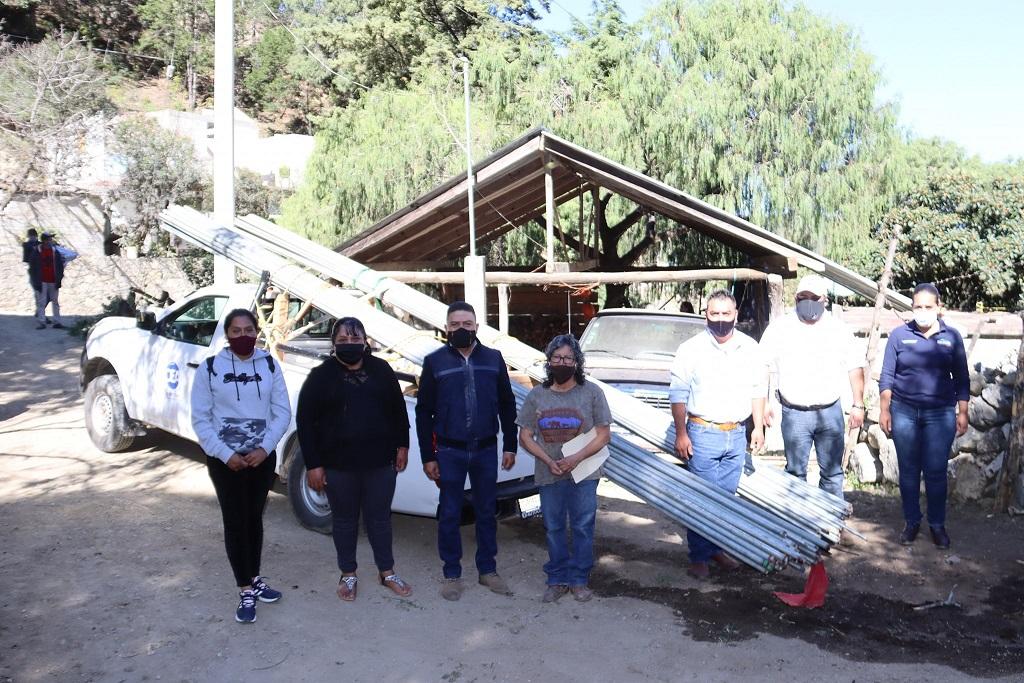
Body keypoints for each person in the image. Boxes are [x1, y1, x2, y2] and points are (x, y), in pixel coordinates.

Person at [296, 317, 413, 601]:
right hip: (338, 464)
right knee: (345, 521)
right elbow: (305, 421)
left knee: (380, 520)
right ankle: (348, 574)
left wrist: (403, 446)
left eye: (355, 339)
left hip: (379, 463)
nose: (350, 344)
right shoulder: (321, 376)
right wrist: (313, 464)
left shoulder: (381, 370)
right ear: (334, 343)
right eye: (343, 340)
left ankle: (387, 572)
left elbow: (398, 411)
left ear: (365, 341)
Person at [191, 309, 291, 623]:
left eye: (249, 329)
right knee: (235, 521)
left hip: (261, 459)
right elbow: (201, 418)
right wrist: (224, 454)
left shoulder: (270, 365)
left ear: (257, 332)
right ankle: (245, 587)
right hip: (226, 462)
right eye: (236, 331)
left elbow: (282, 411)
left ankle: (255, 576)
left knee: (254, 518)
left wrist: (265, 448)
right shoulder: (210, 368)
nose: (243, 336)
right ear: (227, 335)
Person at [415, 301, 518, 601]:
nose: (462, 329)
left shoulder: (493, 359)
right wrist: (428, 455)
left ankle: (487, 571)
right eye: (455, 324)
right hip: (449, 450)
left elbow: (507, 403)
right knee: (449, 513)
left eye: (467, 324)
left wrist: (510, 444)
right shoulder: (435, 362)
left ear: (476, 326)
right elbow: (424, 413)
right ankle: (451, 573)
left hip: (486, 450)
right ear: (446, 328)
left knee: (487, 511)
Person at [669, 290, 766, 579]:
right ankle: (698, 556)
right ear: (706, 315)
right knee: (701, 497)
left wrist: (758, 426)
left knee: (725, 498)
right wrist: (681, 433)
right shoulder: (690, 350)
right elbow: (678, 393)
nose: (721, 320)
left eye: (726, 314)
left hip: (735, 434)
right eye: (715, 314)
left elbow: (758, 389)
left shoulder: (750, 348)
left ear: (736, 315)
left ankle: (716, 549)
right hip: (702, 433)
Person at [517, 334, 611, 603]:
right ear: (549, 361)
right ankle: (557, 579)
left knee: (583, 526)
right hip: (550, 473)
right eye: (557, 358)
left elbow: (603, 435)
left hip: (584, 472)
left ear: (577, 362)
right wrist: (548, 461)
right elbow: (525, 436)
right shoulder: (537, 395)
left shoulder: (592, 393)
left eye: (568, 358)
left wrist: (575, 459)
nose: (562, 362)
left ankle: (579, 579)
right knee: (553, 526)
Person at [879, 283, 969, 549]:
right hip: (904, 411)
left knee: (936, 471)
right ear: (912, 307)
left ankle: (937, 525)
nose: (923, 311)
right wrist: (884, 409)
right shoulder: (898, 336)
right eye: (918, 306)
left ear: (938, 307)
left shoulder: (951, 337)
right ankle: (912, 522)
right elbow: (887, 376)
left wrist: (962, 411)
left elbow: (962, 378)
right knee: (907, 471)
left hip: (940, 414)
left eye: (928, 307)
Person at [759, 274, 865, 500]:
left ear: (824, 299)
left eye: (813, 297)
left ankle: (830, 527)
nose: (807, 301)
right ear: (795, 298)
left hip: (829, 412)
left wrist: (858, 404)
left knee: (832, 474)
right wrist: (765, 402)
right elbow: (762, 364)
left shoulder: (838, 329)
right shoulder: (781, 327)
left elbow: (855, 367)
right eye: (802, 297)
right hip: (794, 413)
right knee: (795, 474)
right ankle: (799, 528)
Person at [26, 232, 65, 330]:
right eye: (49, 239)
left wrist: (59, 278)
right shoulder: (36, 252)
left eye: (51, 239)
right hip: (41, 281)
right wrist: (36, 282)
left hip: (53, 280)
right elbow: (32, 268)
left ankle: (57, 322)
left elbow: (60, 266)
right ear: (44, 241)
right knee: (41, 302)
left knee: (55, 301)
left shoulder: (55, 251)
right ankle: (42, 322)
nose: (51, 241)